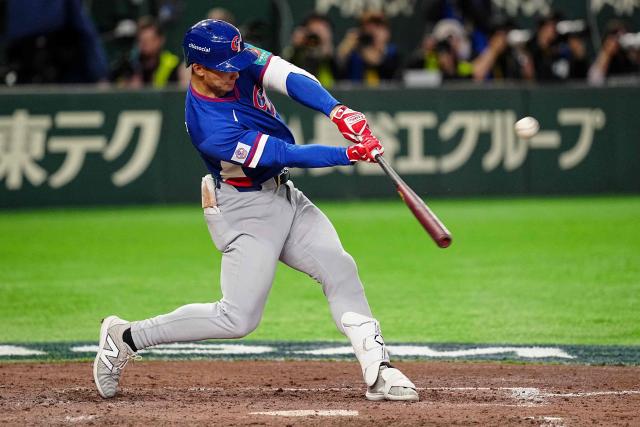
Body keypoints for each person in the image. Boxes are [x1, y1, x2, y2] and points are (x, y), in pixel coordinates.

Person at [93, 19, 419, 403]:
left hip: (284, 195)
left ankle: (379, 370)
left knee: (340, 267)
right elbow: (284, 153)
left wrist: (337, 110)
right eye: (225, 68)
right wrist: (346, 153)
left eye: (237, 62)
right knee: (238, 318)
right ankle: (125, 336)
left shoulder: (234, 58)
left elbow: (289, 75)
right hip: (245, 209)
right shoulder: (209, 126)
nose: (236, 71)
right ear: (198, 68)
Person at [113, 17, 181, 88]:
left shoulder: (173, 65)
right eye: (141, 40)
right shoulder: (129, 66)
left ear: (160, 40)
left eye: (149, 40)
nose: (145, 44)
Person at [337, 11, 400, 85]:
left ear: (387, 32)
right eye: (368, 25)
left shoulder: (392, 53)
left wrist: (380, 51)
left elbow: (395, 79)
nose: (373, 30)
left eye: (378, 26)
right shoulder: (355, 53)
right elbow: (339, 76)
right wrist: (343, 51)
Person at [283, 13, 338, 88]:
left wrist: (326, 45)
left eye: (320, 31)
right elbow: (285, 72)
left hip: (328, 92)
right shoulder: (298, 52)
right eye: (312, 31)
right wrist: (296, 48)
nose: (315, 38)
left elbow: (341, 75)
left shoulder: (331, 53)